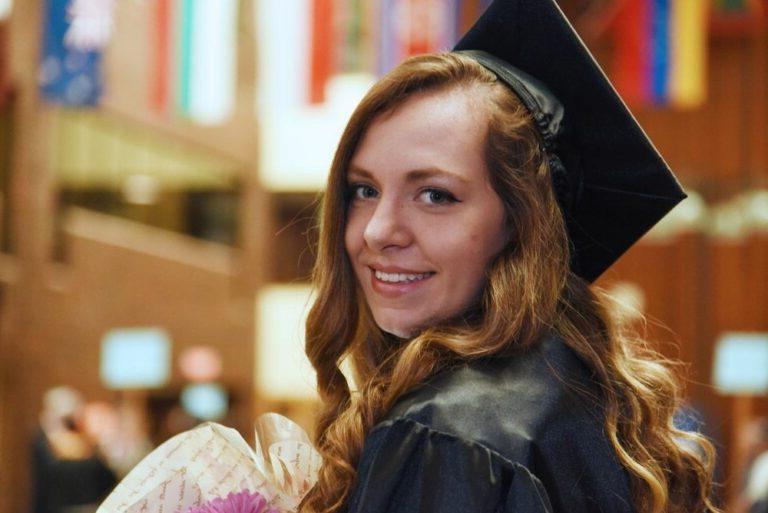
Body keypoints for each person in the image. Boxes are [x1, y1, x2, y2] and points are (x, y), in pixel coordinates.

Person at [300, 1, 719, 512]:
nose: (378, 231)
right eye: (363, 190)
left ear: (522, 222)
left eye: (435, 195)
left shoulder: (446, 436)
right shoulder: (584, 397)